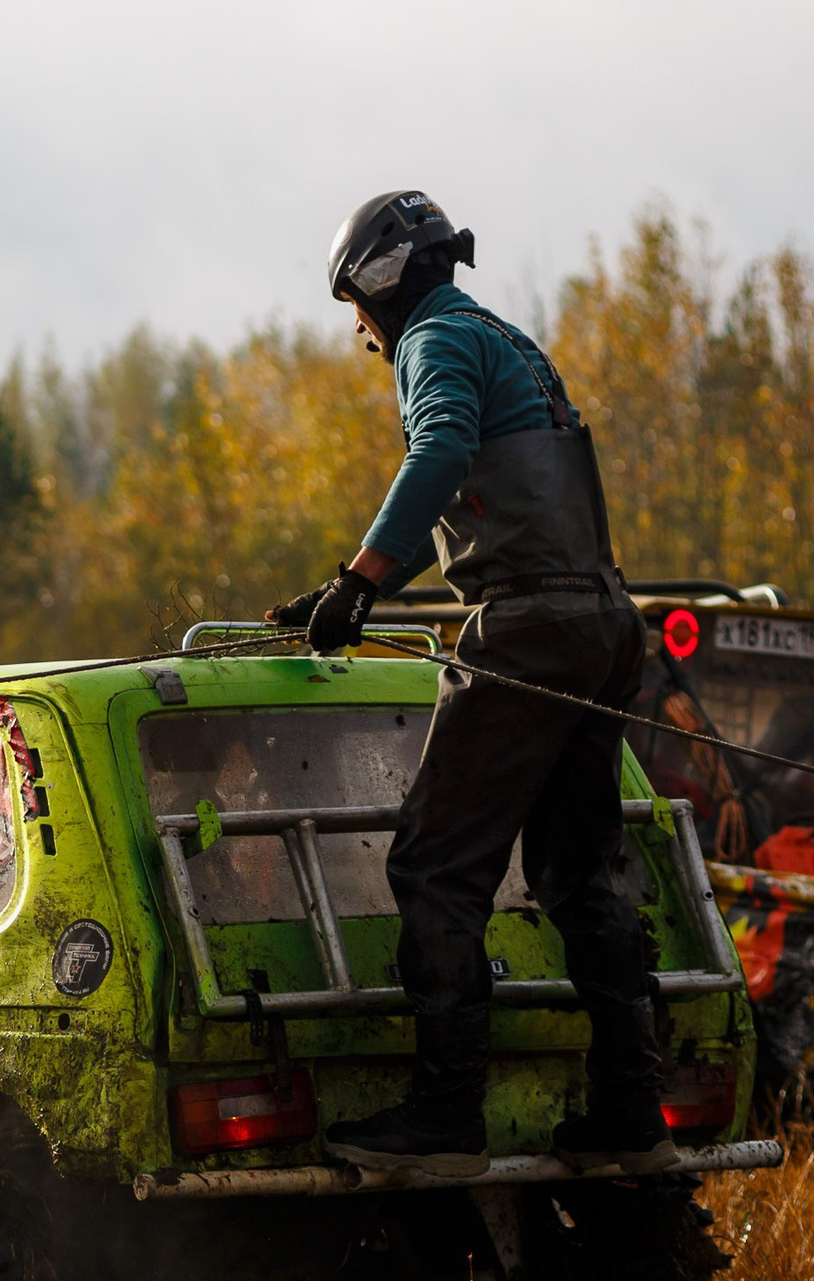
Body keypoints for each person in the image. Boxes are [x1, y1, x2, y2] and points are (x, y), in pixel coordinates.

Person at [266, 191, 669, 1180]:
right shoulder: (508, 339)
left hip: (528, 630)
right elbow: (487, 475)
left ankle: (445, 1117)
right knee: (577, 874)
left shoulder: (432, 340)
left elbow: (438, 448)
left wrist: (360, 581)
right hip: (602, 624)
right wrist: (348, 584)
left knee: (435, 868)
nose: (360, 334)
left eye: (352, 306)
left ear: (376, 280)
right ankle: (630, 1112)